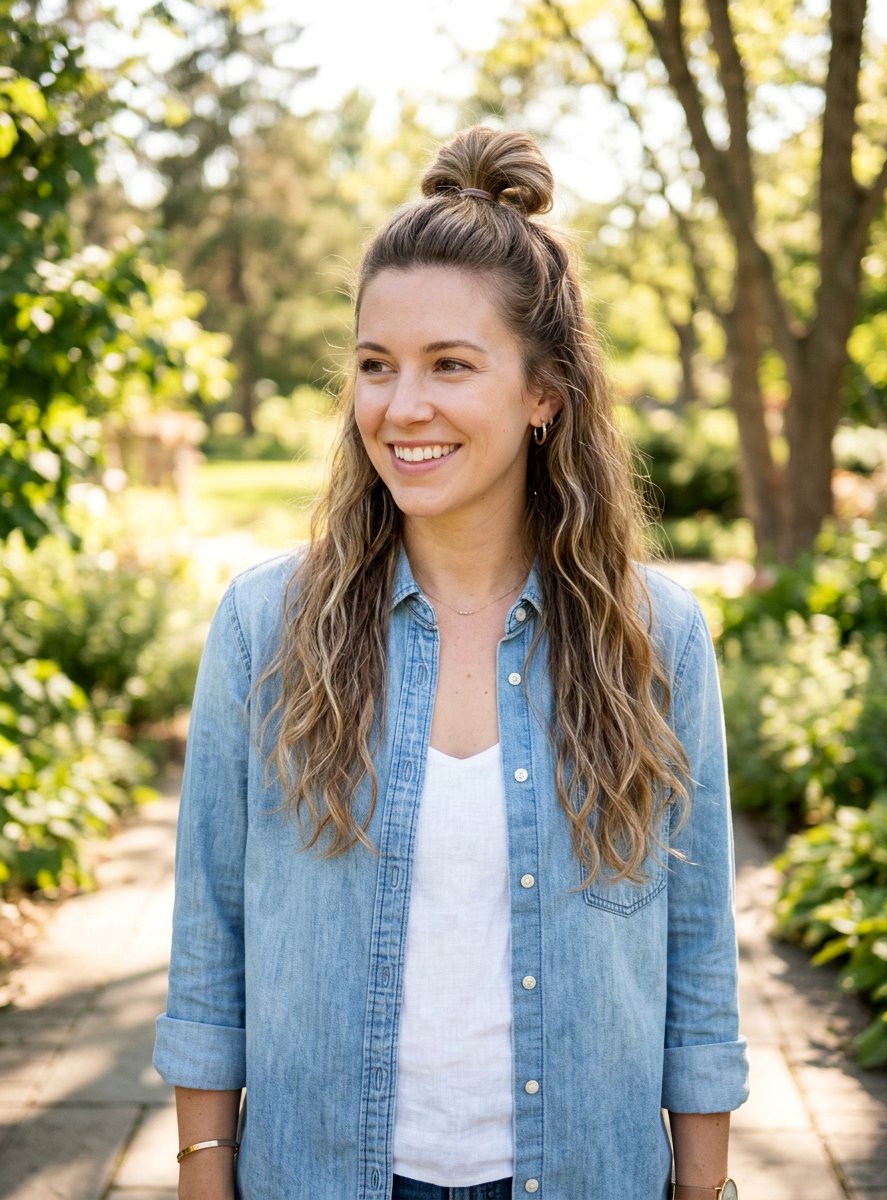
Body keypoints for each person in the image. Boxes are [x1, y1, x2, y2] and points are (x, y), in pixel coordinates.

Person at [154, 125, 748, 1200]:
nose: (400, 407)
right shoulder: (264, 624)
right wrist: (205, 1174)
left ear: (542, 395)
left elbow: (696, 958)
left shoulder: (655, 638)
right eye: (375, 366)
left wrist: (701, 1189)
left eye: (450, 366)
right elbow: (213, 941)